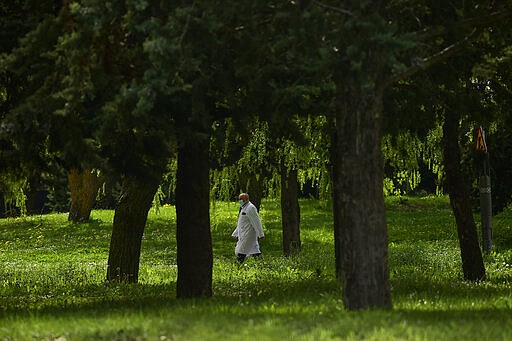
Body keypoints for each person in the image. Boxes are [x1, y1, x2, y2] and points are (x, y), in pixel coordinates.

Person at [231, 193, 265, 263]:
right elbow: (241, 223)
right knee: (255, 252)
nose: (239, 201)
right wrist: (235, 233)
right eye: (239, 199)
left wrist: (260, 234)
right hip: (244, 233)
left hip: (248, 234)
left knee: (241, 252)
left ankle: (236, 267)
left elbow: (256, 222)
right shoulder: (243, 208)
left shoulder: (250, 208)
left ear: (246, 199)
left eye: (241, 199)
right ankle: (262, 266)